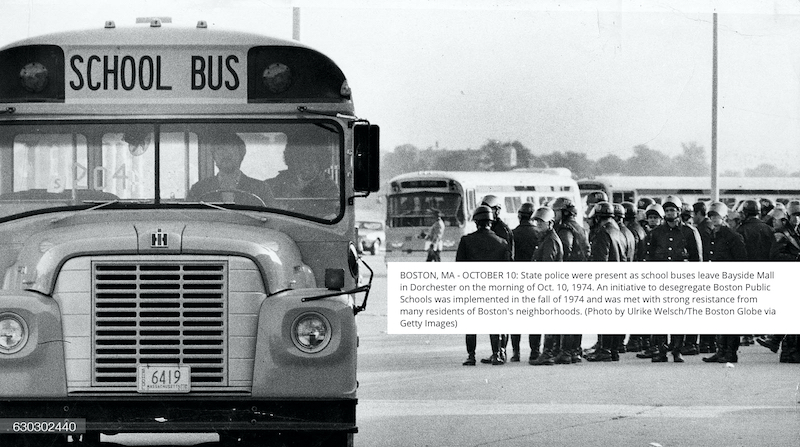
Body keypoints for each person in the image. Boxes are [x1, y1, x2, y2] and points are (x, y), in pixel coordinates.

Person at [644, 195, 702, 363]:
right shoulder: (656, 233)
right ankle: (661, 350)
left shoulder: (690, 232)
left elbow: (697, 259)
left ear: (678, 211)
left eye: (673, 210)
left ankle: (677, 350)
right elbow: (650, 256)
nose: (670, 213)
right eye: (667, 210)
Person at [458, 205, 512, 366]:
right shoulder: (502, 242)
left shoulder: (466, 241)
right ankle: (496, 354)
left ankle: (471, 356)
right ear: (491, 221)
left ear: (476, 222)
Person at [699, 202, 747, 364]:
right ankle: (721, 350)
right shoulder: (713, 235)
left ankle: (730, 352)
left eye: (716, 216)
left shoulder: (732, 236)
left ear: (724, 217)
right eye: (711, 216)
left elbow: (741, 261)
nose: (713, 219)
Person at [585, 201, 626, 362]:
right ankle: (613, 350)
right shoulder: (618, 231)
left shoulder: (603, 233)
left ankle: (604, 350)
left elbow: (599, 261)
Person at [527, 206, 568, 366]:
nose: (537, 225)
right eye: (536, 221)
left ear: (550, 223)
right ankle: (551, 352)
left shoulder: (550, 240)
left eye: (541, 222)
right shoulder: (546, 238)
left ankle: (548, 353)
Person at [187, 133, 273, 206]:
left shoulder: (260, 189)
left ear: (241, 153)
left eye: (231, 147)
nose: (225, 154)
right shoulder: (198, 189)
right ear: (214, 156)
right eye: (220, 148)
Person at [552, 197, 589, 362]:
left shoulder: (565, 229)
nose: (554, 215)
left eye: (556, 211)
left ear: (565, 212)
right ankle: (575, 350)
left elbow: (564, 251)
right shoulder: (581, 228)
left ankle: (566, 352)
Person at [266, 140, 338, 216]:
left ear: (320, 163)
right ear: (292, 162)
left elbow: (324, 216)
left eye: (310, 161)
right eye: (300, 160)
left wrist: (297, 193)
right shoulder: (277, 182)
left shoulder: (329, 188)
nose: (305, 165)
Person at [509, 203, 541, 362]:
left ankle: (516, 353)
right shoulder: (538, 234)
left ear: (519, 216)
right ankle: (535, 351)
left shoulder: (512, 233)